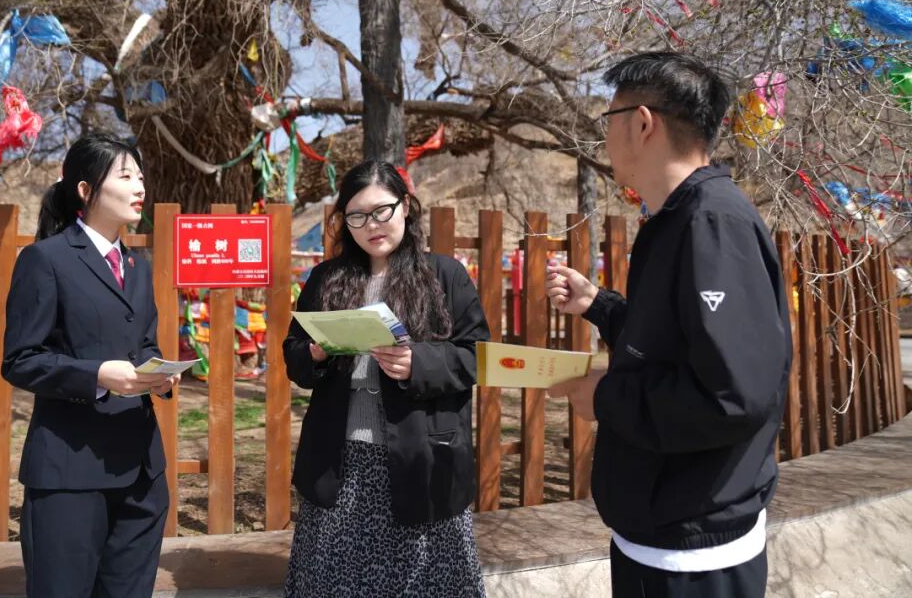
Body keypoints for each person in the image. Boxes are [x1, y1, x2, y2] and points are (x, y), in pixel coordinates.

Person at [546, 53, 791, 597]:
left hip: (693, 555)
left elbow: (733, 396)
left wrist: (605, 398)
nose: (605, 137)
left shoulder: (712, 222)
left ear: (641, 123)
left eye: (608, 119)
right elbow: (674, 344)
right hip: (663, 533)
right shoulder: (677, 217)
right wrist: (599, 305)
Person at [282, 160, 489, 598]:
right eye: (356, 216)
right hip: (341, 462)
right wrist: (315, 353)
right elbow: (294, 355)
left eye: (381, 211)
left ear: (406, 207)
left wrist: (418, 363)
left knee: (424, 584)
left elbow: (476, 356)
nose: (371, 225)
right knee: (335, 582)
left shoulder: (444, 276)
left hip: (420, 458)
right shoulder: (327, 279)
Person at [3, 134, 178, 597]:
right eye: (126, 176)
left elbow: (143, 345)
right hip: (70, 472)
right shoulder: (45, 259)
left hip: (141, 472)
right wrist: (96, 375)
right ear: (86, 189)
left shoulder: (137, 266)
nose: (140, 187)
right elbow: (21, 360)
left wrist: (158, 377)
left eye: (141, 176)